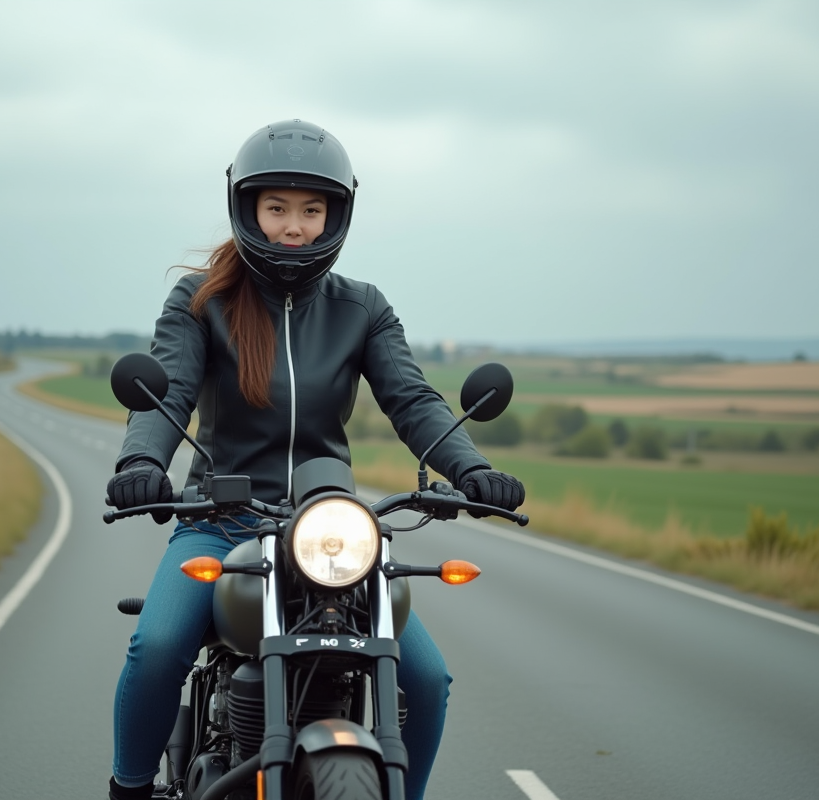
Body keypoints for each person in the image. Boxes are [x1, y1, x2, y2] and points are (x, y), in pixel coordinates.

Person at [105, 119, 525, 800]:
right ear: (248, 208)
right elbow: (165, 392)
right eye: (276, 208)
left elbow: (413, 400)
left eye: (310, 209)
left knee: (425, 678)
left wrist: (470, 469)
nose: (293, 226)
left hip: (329, 535)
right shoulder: (201, 302)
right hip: (221, 519)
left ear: (336, 214)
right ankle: (126, 791)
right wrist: (138, 466)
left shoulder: (363, 309)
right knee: (156, 651)